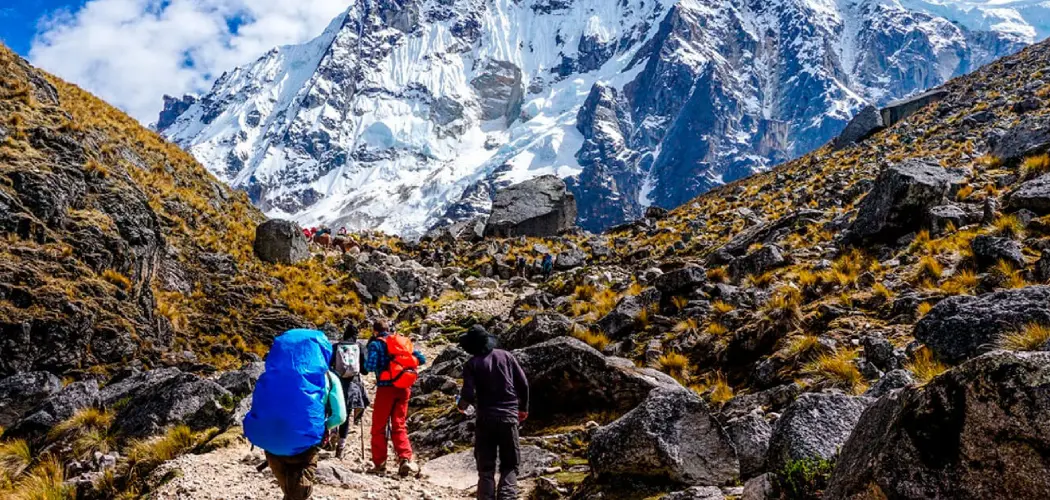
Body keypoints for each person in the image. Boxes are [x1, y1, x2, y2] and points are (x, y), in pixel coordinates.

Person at [244, 329, 347, 500]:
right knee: (299, 493)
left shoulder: (270, 375)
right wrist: (322, 427)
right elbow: (340, 416)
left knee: (289, 491)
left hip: (270, 442)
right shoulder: (328, 378)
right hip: (305, 444)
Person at [458, 325, 530, 500]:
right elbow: (523, 384)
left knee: (486, 468)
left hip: (485, 419)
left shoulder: (471, 364)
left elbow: (468, 393)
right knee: (510, 464)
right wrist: (523, 408)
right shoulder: (506, 356)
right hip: (508, 417)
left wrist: (461, 405)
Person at [363, 319, 426, 476]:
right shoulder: (400, 342)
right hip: (404, 387)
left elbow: (369, 366)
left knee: (379, 426)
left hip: (386, 389)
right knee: (399, 424)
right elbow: (421, 359)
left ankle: (380, 464)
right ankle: (405, 459)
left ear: (375, 331)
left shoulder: (376, 344)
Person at [330, 323, 370, 459]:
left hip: (336, 383)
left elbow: (328, 365)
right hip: (352, 385)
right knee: (346, 415)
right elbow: (364, 370)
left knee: (333, 408)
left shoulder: (336, 347)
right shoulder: (359, 347)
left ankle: (333, 431)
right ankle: (341, 446)